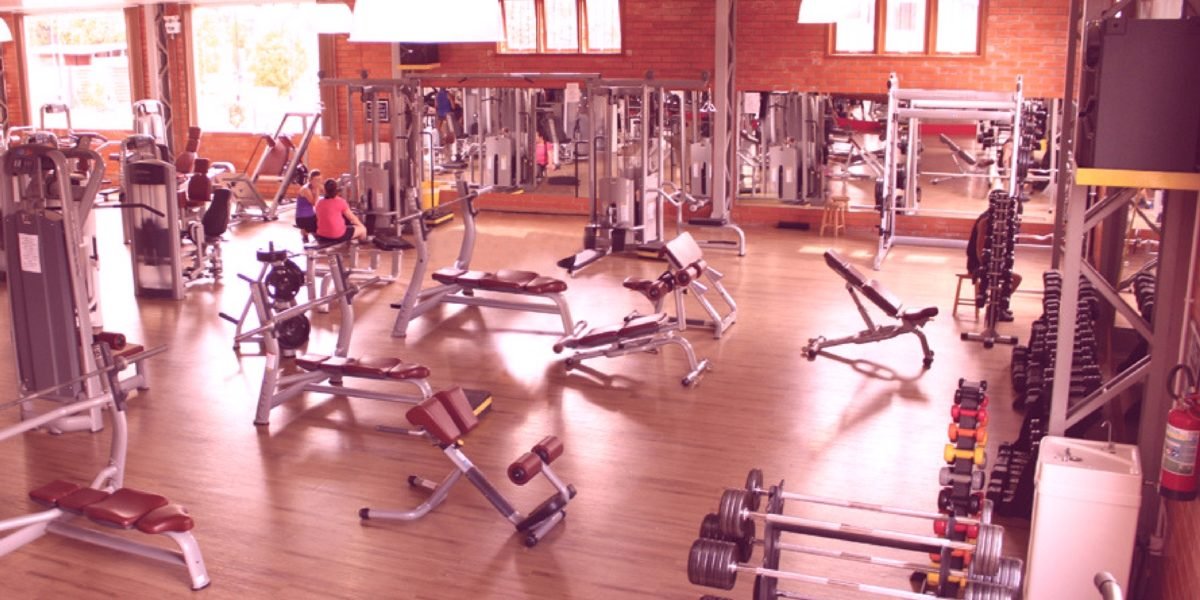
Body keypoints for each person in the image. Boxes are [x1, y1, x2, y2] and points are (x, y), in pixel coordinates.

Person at [315, 178, 366, 244]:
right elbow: (352, 218)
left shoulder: (319, 202)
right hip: (337, 235)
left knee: (346, 228)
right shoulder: (340, 201)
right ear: (336, 189)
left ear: (324, 190)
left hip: (322, 235)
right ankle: (362, 248)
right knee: (363, 230)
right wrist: (361, 225)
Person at [295, 168, 320, 243]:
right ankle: (305, 233)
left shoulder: (312, 187)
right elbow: (314, 203)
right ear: (310, 180)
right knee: (320, 230)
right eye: (316, 180)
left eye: (319, 180)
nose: (318, 182)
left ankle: (305, 233)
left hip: (310, 215)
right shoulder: (306, 189)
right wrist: (317, 190)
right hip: (303, 218)